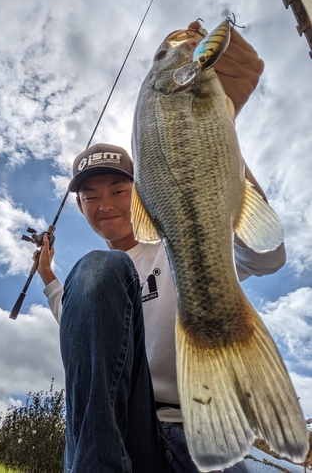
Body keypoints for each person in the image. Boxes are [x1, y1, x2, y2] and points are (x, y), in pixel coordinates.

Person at [35, 26, 293, 473]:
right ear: (79, 208)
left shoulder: (172, 245)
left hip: (195, 420)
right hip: (123, 431)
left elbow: (266, 258)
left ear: (144, 189)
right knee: (98, 269)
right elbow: (79, 324)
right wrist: (48, 274)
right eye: (91, 197)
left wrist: (219, 137)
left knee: (99, 268)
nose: (106, 205)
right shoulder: (96, 275)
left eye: (118, 189)